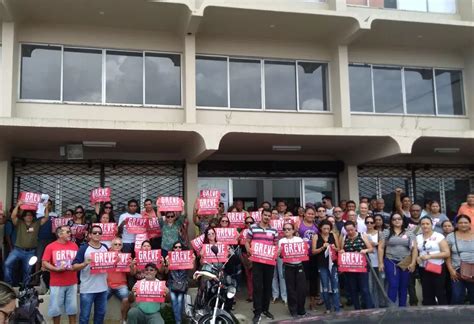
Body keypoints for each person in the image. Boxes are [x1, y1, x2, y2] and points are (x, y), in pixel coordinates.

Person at [4, 199, 50, 286]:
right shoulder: (19, 223)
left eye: (30, 215)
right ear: (23, 217)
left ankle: (25, 288)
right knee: (7, 264)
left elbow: (46, 218)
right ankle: (8, 284)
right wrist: (18, 205)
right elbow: (13, 216)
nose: (29, 216)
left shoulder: (36, 223)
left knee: (27, 271)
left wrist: (46, 208)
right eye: (26, 215)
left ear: (33, 216)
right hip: (17, 250)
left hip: (30, 252)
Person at [246, 208, 278, 323]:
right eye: (265, 215)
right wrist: (249, 250)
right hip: (257, 262)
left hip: (269, 262)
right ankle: (257, 312)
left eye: (269, 216)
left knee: (268, 287)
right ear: (261, 215)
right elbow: (246, 241)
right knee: (257, 287)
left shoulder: (274, 230)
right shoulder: (253, 227)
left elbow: (276, 245)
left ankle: (266, 309)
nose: (267, 217)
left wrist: (276, 253)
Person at [42, 225, 79, 324]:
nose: (70, 233)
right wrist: (55, 269)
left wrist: (76, 265)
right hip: (56, 283)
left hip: (72, 282)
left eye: (69, 231)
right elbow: (44, 262)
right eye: (67, 232)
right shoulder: (50, 246)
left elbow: (77, 261)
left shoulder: (74, 245)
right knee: (56, 310)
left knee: (72, 309)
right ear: (59, 234)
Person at [378, 213, 417, 307]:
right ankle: (391, 309)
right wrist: (380, 263)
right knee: (393, 285)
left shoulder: (409, 232)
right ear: (391, 221)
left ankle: (402, 309)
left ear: (402, 221)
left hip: (405, 262)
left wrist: (413, 263)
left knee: (403, 287)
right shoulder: (386, 232)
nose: (397, 221)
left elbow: (414, 248)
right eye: (394, 219)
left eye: (399, 219)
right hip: (390, 261)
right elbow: (381, 248)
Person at [73, 225, 109, 324]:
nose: (97, 234)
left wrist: (115, 261)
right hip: (87, 289)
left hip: (103, 288)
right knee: (84, 317)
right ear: (89, 235)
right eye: (95, 233)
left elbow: (109, 265)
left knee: (100, 316)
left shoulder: (105, 248)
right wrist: (85, 263)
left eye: (99, 233)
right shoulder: (84, 249)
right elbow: (74, 267)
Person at [415, 216, 449, 305]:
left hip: (437, 267)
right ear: (420, 226)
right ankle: (429, 315)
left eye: (427, 224)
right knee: (427, 293)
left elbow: (446, 253)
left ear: (431, 225)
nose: (425, 226)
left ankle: (444, 314)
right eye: (423, 224)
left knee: (440, 292)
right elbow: (416, 251)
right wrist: (417, 258)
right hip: (423, 268)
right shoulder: (418, 237)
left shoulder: (438, 236)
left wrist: (430, 256)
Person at [340, 221, 373, 310]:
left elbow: (371, 249)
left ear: (355, 227)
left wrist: (365, 251)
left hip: (362, 267)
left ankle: (369, 309)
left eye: (351, 229)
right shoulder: (344, 237)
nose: (350, 232)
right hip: (350, 268)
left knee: (365, 289)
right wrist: (342, 251)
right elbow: (342, 250)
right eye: (348, 230)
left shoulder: (362, 235)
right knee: (353, 289)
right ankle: (357, 309)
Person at [278, 221, 307, 318]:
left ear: (293, 230)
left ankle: (301, 310)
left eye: (289, 229)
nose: (286, 231)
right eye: (285, 229)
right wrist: (279, 253)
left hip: (299, 266)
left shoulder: (299, 239)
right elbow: (281, 256)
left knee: (301, 289)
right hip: (288, 267)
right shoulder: (281, 241)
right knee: (291, 290)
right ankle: (293, 311)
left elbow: (304, 252)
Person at [312, 220, 340, 314]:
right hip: (322, 264)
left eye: (328, 228)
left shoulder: (333, 235)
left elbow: (339, 249)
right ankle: (328, 308)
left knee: (335, 287)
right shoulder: (316, 236)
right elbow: (313, 251)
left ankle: (337, 308)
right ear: (320, 228)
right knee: (325, 286)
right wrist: (322, 248)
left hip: (333, 264)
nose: (326, 230)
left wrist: (334, 248)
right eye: (324, 228)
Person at [164, 241, 194, 324]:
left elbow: (191, 269)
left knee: (180, 301)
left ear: (182, 248)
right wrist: (167, 264)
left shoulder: (186, 257)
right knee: (174, 301)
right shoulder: (169, 257)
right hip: (172, 283)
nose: (178, 249)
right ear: (173, 249)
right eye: (176, 247)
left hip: (182, 284)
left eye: (180, 247)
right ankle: (178, 321)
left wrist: (193, 260)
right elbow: (166, 272)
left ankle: (178, 321)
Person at [446, 215, 474, 304]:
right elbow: (447, 255)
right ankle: (456, 317)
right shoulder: (450, 236)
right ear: (456, 225)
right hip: (457, 270)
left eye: (466, 222)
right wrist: (451, 270)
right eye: (460, 223)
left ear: (470, 224)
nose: (463, 225)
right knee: (457, 296)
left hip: (473, 270)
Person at [298, 207, 320, 310]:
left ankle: (312, 302)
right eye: (309, 213)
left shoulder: (317, 225)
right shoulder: (298, 224)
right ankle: (301, 301)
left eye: (312, 214)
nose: (311, 215)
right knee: (302, 278)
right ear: (304, 214)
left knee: (313, 279)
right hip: (302, 255)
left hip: (314, 255)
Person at [107, 237, 130, 324]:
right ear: (111, 246)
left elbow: (130, 274)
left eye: (119, 244)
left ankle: (123, 320)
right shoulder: (105, 255)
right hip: (107, 285)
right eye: (115, 244)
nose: (117, 246)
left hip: (121, 285)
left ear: (122, 246)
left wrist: (130, 265)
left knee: (126, 299)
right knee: (99, 299)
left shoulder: (126, 257)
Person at [365, 215, 385, 308]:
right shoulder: (362, 234)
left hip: (379, 261)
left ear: (374, 223)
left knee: (381, 284)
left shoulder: (380, 233)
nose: (369, 224)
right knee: (370, 285)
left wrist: (376, 244)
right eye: (367, 222)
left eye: (371, 222)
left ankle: (382, 303)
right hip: (368, 263)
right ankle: (373, 305)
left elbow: (384, 247)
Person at [241, 216, 255, 302]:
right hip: (245, 255)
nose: (249, 224)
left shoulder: (256, 232)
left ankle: (257, 295)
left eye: (251, 222)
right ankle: (251, 295)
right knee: (248, 276)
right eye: (247, 222)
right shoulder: (242, 232)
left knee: (255, 276)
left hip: (255, 255)